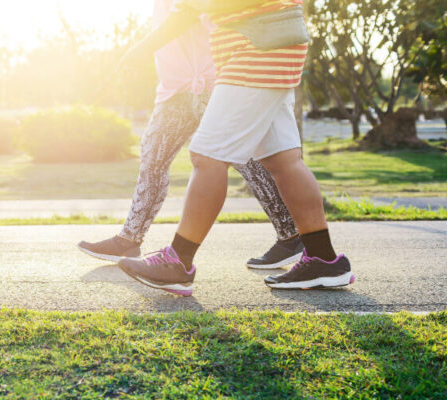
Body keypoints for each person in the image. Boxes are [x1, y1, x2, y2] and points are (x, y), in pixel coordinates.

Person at [116, 0, 354, 296]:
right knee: (282, 159)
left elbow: (191, 10)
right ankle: (323, 259)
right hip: (274, 43)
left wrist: (142, 48)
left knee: (207, 156)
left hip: (255, 47)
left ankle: (178, 261)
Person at [78, 0, 304, 275]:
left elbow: (191, 16)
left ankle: (291, 236)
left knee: (247, 162)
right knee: (152, 159)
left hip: (215, 80)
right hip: (175, 89)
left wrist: (139, 50)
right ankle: (129, 239)